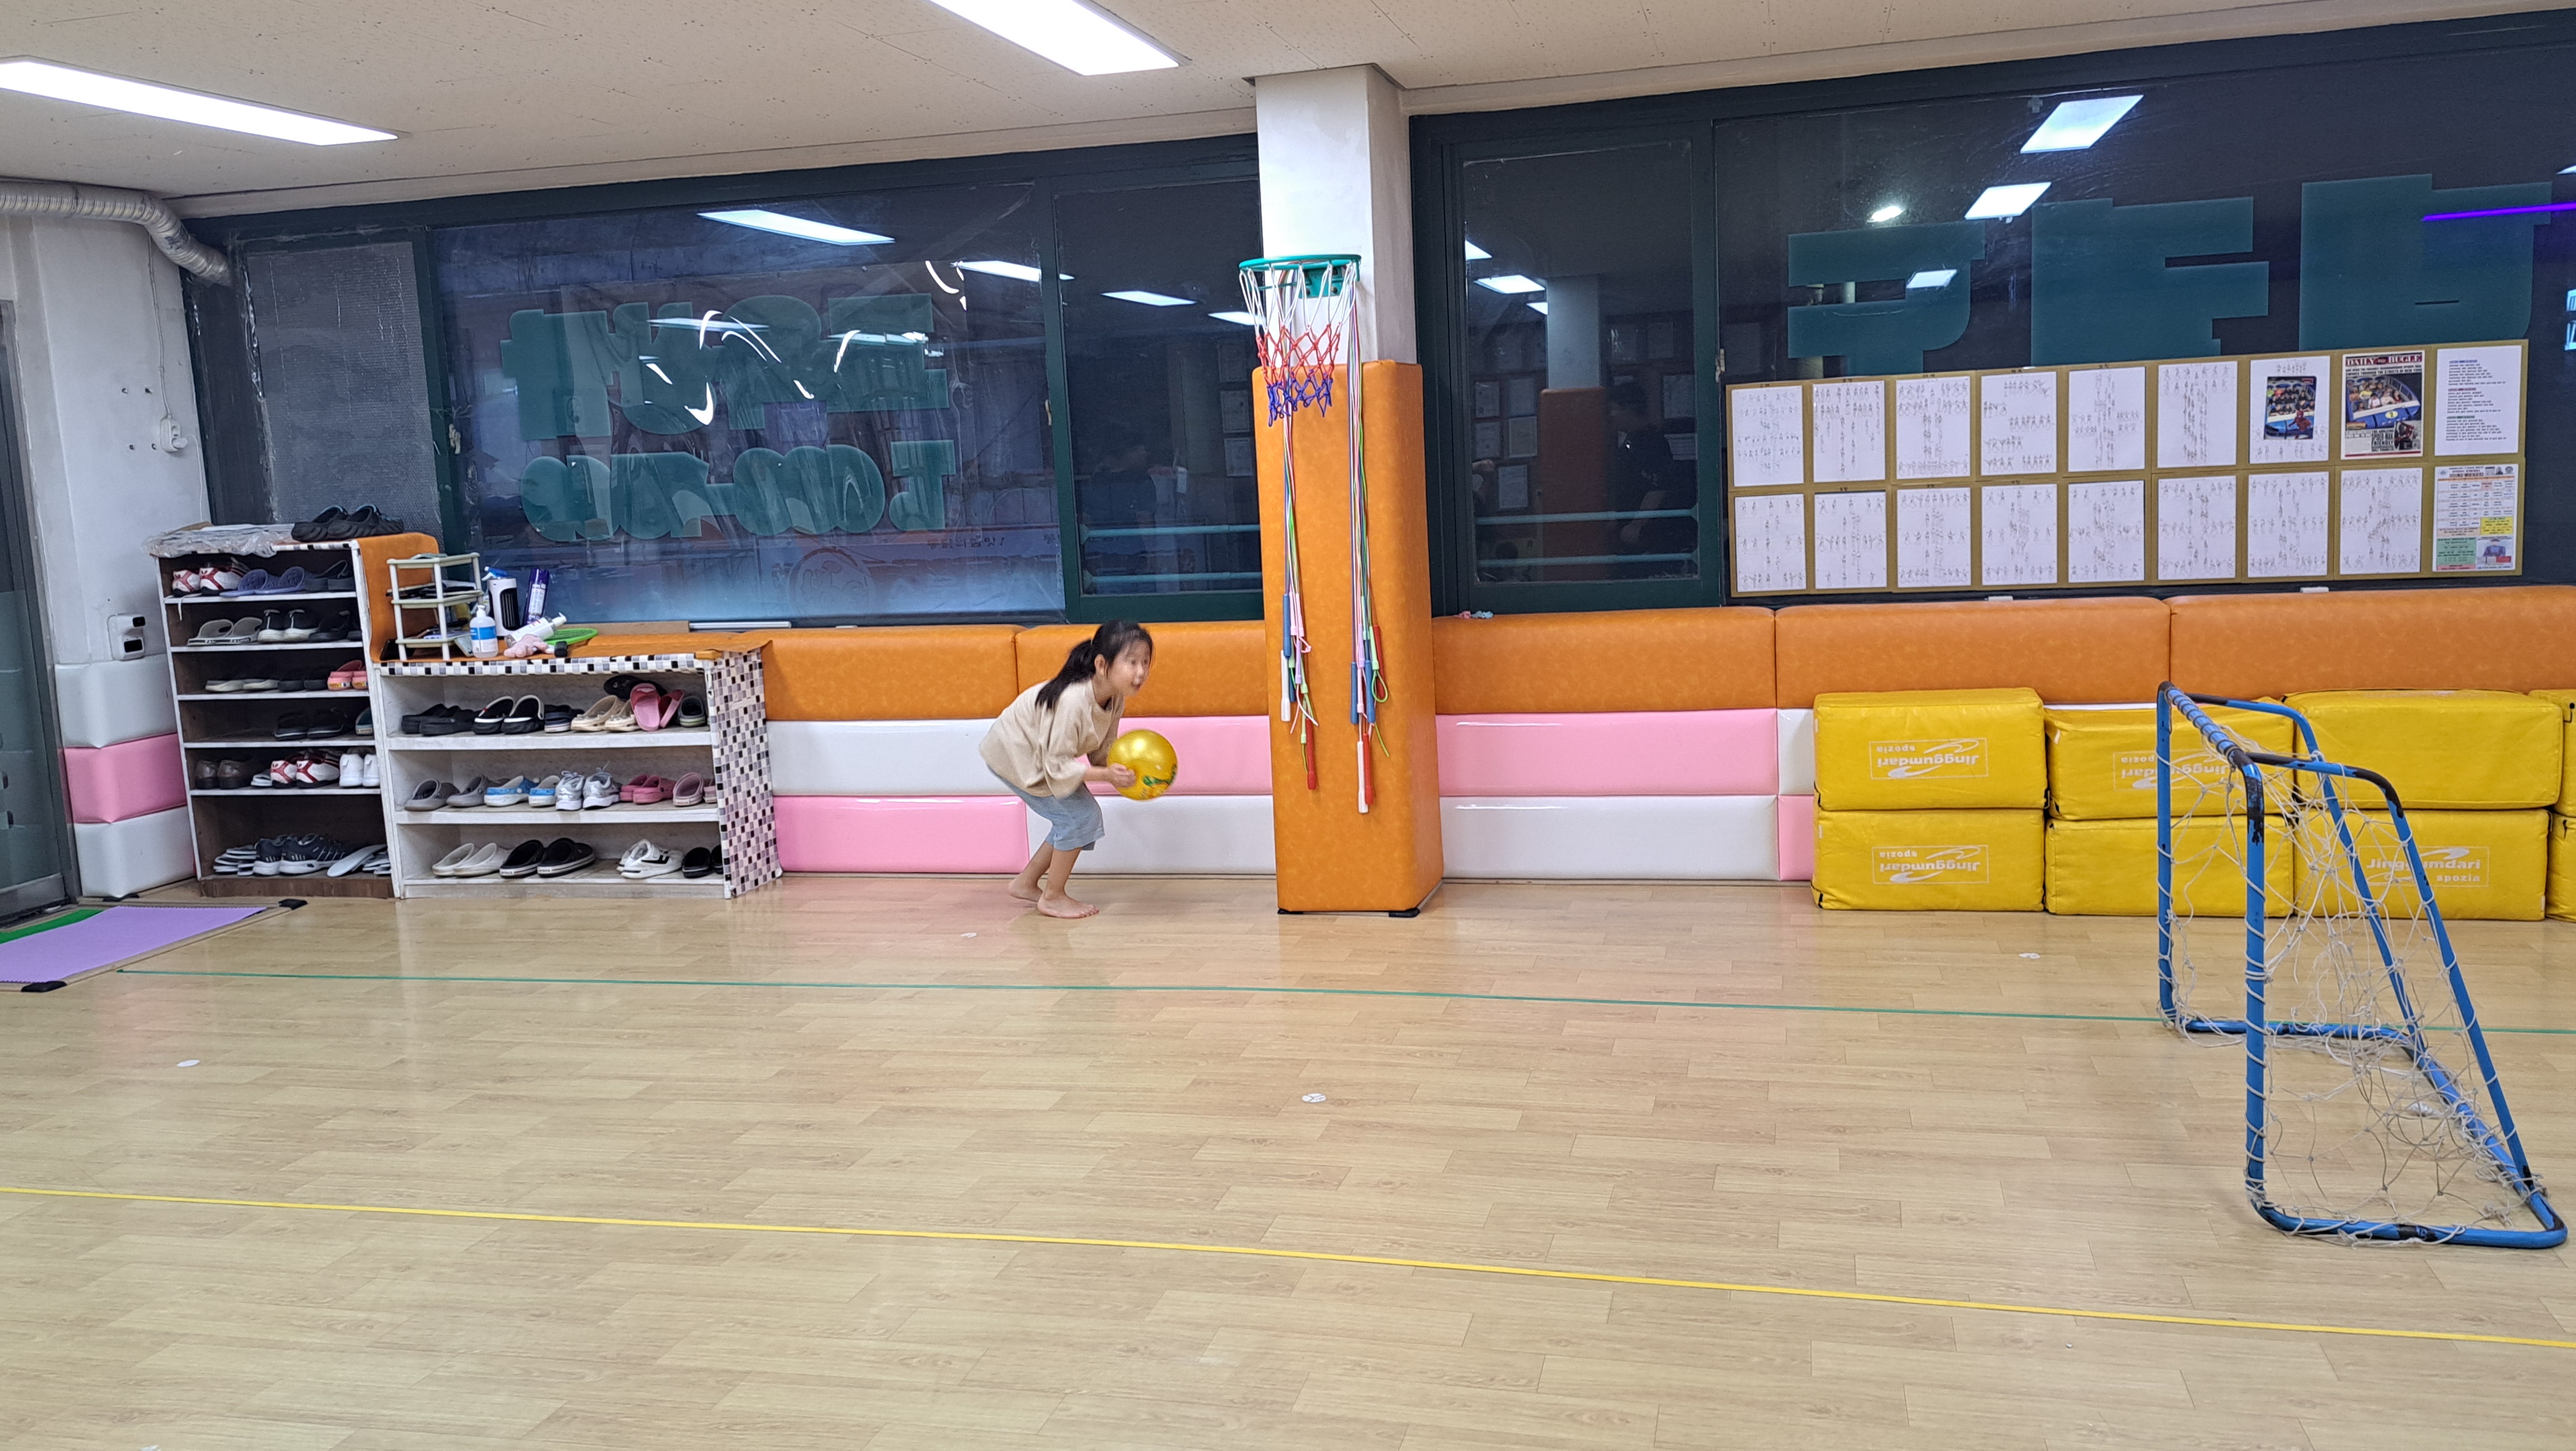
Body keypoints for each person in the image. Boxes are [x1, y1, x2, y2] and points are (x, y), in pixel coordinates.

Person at [980, 620, 1154, 918]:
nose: (1141, 673)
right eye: (1132, 662)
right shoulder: (1073, 701)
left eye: (1146, 662)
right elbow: (1056, 766)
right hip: (1016, 754)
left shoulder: (1115, 698)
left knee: (1075, 819)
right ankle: (1053, 897)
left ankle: (1026, 883)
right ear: (1102, 665)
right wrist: (1107, 776)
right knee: (1080, 818)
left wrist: (1125, 772)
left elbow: (1102, 751)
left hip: (1042, 756)